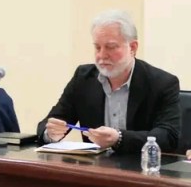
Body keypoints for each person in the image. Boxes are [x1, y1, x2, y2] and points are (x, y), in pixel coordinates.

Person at [37, 10, 180, 154]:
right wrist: (51, 133)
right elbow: (50, 122)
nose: (101, 55)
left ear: (133, 47)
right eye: (97, 47)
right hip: (95, 166)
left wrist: (119, 138)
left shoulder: (162, 83)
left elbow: (168, 136)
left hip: (141, 165)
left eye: (110, 47)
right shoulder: (83, 78)